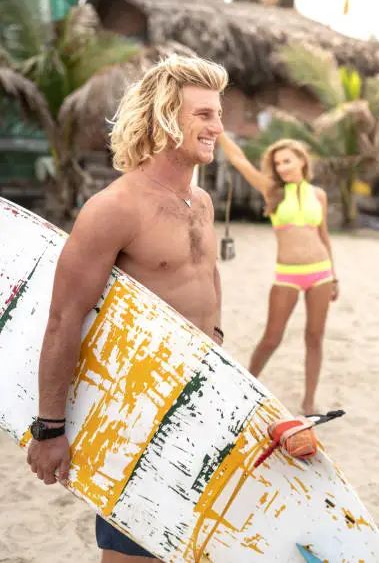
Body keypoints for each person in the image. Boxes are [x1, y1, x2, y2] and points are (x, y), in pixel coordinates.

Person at [26, 54, 228, 563]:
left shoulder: (199, 201)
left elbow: (208, 276)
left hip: (202, 396)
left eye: (217, 113)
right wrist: (49, 428)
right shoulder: (114, 209)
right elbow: (63, 318)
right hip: (138, 407)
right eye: (203, 114)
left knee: (187, 543)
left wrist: (218, 345)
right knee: (134, 550)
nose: (217, 127)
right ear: (163, 117)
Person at [218, 133, 339, 415]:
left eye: (287, 161)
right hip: (287, 274)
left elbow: (324, 236)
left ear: (301, 161)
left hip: (320, 272)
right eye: (277, 163)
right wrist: (219, 130)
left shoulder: (318, 195)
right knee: (272, 337)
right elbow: (238, 160)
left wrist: (334, 276)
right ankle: (246, 386)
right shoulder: (271, 189)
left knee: (314, 336)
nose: (282, 167)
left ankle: (309, 401)